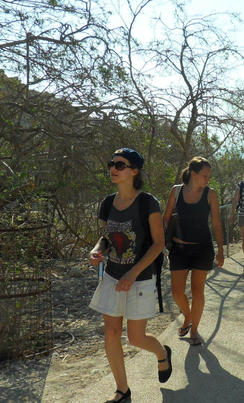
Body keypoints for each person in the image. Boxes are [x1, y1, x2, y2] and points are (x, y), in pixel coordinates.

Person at [89, 148, 171, 403]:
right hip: (113, 276)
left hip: (141, 277)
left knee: (136, 338)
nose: (113, 168)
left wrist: (134, 272)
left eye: (120, 165)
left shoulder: (148, 202)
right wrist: (97, 249)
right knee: (112, 334)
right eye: (111, 163)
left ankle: (162, 354)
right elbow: (109, 236)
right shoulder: (108, 202)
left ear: (134, 171)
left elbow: (159, 243)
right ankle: (122, 390)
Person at [163, 157, 225, 346]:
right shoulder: (176, 191)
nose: (208, 179)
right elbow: (165, 219)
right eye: (205, 176)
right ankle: (188, 316)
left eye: (209, 176)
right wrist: (158, 242)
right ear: (193, 174)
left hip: (202, 248)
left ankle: (194, 330)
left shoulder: (210, 194)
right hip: (178, 248)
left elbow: (216, 222)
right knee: (177, 292)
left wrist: (220, 249)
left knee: (198, 291)